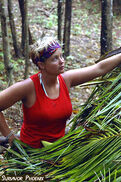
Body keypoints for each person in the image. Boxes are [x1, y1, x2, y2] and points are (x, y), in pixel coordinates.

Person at [0, 36, 121, 148]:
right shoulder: (28, 87)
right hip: (30, 156)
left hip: (58, 155)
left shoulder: (66, 79)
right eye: (55, 59)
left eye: (61, 56)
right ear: (41, 65)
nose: (62, 61)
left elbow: (99, 69)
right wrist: (10, 137)